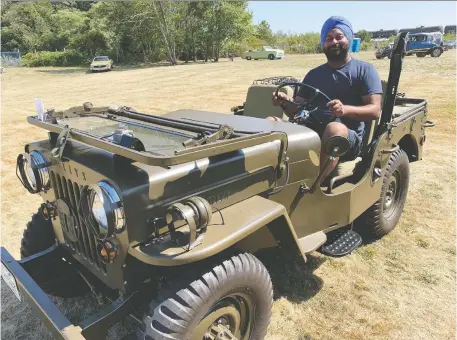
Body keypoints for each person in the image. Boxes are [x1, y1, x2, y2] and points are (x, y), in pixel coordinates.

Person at [270, 16, 383, 181]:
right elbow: (297, 109)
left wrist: (344, 110)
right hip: (311, 130)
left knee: (334, 128)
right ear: (323, 43)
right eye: (328, 39)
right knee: (271, 122)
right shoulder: (314, 74)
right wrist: (284, 102)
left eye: (339, 37)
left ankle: (312, 185)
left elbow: (375, 110)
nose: (334, 42)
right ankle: (267, 179)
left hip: (347, 139)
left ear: (348, 39)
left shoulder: (364, 70)